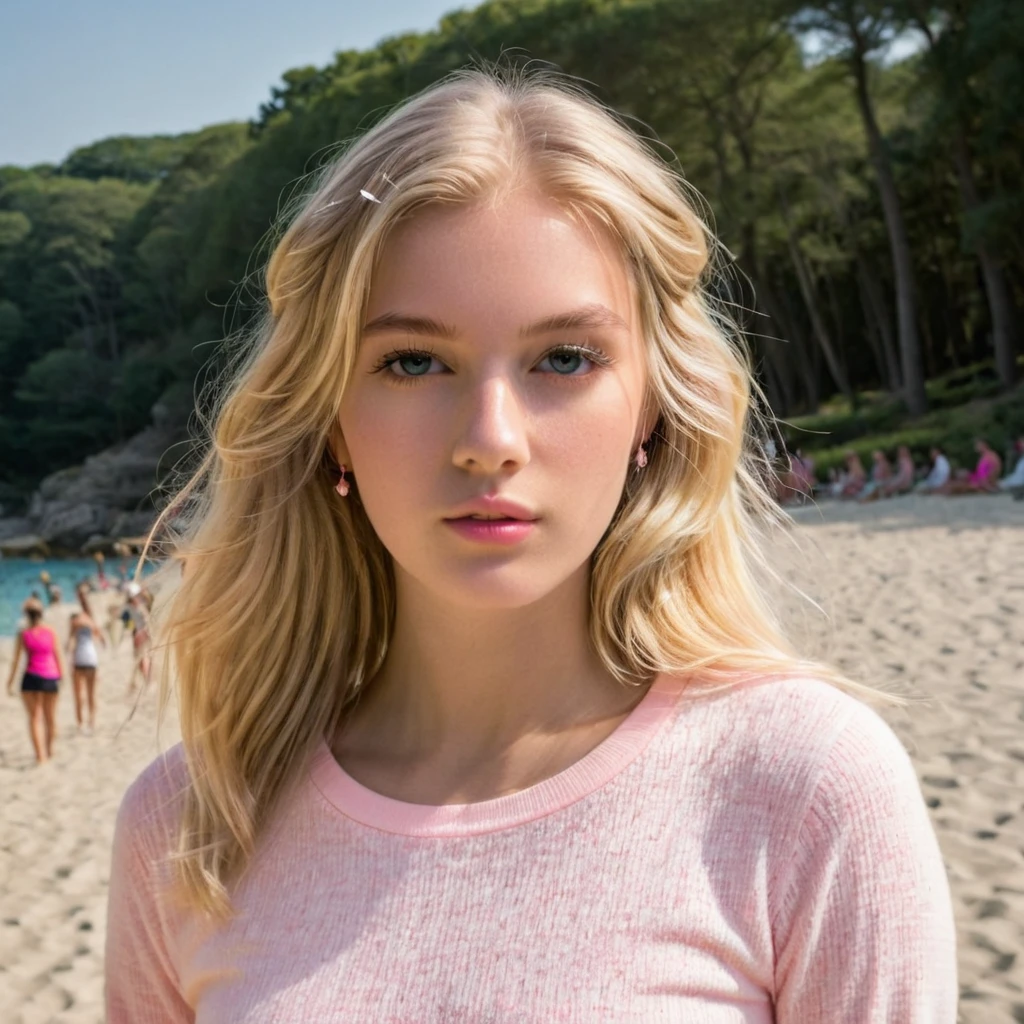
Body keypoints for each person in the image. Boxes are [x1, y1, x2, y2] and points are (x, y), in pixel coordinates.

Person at [106, 70, 956, 1022]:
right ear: (331, 419)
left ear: (652, 408)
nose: (491, 437)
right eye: (413, 361)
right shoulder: (189, 826)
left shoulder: (807, 786)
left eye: (565, 358)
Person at [5, 598, 65, 764]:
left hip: (30, 678)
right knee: (50, 718)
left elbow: (16, 661)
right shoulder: (51, 631)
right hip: (50, 678)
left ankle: (40, 757)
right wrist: (62, 676)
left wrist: (9, 683)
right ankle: (50, 750)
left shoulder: (23, 634)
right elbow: (58, 656)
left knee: (34, 718)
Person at [66, 605, 107, 735]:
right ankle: (92, 722)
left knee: (78, 695)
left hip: (79, 659)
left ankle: (80, 723)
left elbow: (71, 642)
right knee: (92, 694)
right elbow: (101, 638)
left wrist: (68, 654)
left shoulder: (74, 623)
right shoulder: (90, 623)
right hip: (91, 659)